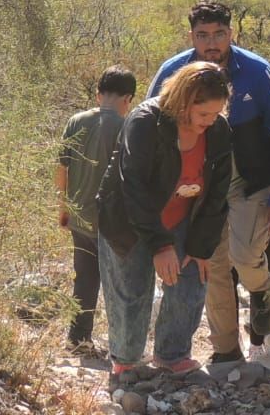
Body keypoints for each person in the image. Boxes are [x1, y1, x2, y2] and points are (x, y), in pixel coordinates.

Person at [147, 0, 270, 364]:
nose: (211, 43)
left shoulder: (258, 72)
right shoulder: (174, 71)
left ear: (232, 33)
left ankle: (261, 291)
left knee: (244, 254)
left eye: (219, 34)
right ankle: (226, 349)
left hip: (249, 178)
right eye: (202, 35)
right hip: (198, 185)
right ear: (191, 36)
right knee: (211, 264)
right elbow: (148, 126)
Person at [97, 61, 233, 375]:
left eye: (216, 114)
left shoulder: (219, 129)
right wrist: (160, 246)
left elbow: (217, 193)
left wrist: (200, 246)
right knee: (133, 290)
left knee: (191, 282)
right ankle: (126, 361)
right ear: (184, 102)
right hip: (127, 220)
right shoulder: (146, 121)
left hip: (183, 217)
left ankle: (172, 355)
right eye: (204, 115)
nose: (211, 122)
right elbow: (132, 187)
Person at [57, 66, 138, 353]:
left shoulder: (75, 120)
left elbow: (61, 169)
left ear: (98, 94)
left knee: (84, 280)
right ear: (128, 98)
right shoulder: (127, 126)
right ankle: (122, 345)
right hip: (111, 221)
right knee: (118, 284)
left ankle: (78, 340)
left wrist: (63, 207)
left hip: (79, 216)